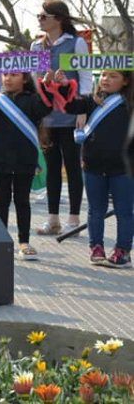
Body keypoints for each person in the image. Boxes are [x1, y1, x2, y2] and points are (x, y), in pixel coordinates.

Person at [0, 73, 54, 260]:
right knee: (1, 200)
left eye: (14, 75)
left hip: (25, 158)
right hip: (1, 157)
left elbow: (46, 107)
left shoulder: (33, 100)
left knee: (22, 200)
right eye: (5, 74)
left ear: (24, 79)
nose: (8, 78)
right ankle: (0, 239)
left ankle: (24, 242)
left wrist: (47, 85)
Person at [58, 69, 133, 268]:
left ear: (126, 81)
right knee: (95, 210)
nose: (106, 79)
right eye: (104, 75)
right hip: (93, 165)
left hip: (123, 168)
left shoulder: (129, 104)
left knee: (124, 211)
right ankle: (96, 247)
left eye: (113, 76)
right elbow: (71, 105)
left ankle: (123, 250)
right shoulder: (92, 101)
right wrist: (64, 84)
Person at [31, 0, 92, 236]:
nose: (40, 19)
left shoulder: (76, 43)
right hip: (48, 115)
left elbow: (86, 77)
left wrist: (83, 109)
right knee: (52, 167)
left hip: (71, 113)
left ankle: (74, 220)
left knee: (73, 166)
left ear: (59, 18)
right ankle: (53, 218)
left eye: (44, 15)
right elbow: (36, 80)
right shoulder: (37, 47)